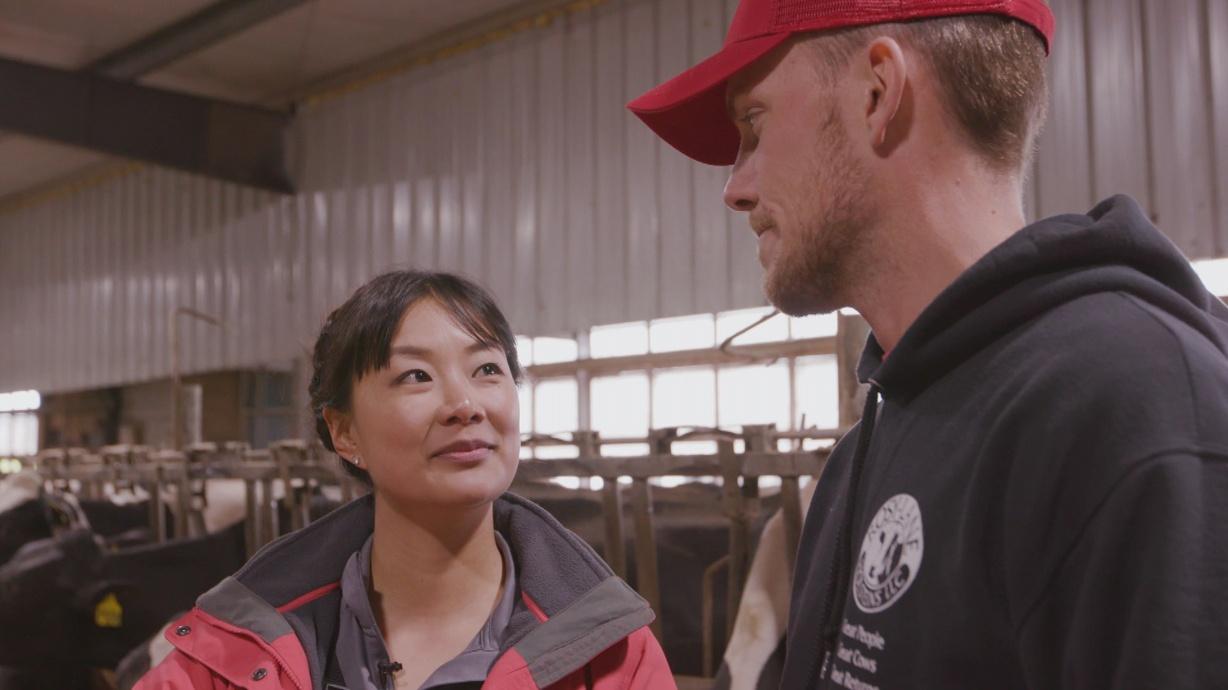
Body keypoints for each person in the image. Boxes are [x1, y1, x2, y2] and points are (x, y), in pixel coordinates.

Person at [629, 0, 1228, 688]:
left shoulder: (1140, 413)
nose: (735, 188)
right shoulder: (868, 446)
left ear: (878, 93)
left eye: (754, 127)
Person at [137, 270, 675, 690]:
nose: (464, 404)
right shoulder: (231, 659)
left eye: (487, 369)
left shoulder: (611, 658)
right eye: (415, 376)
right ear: (344, 431)